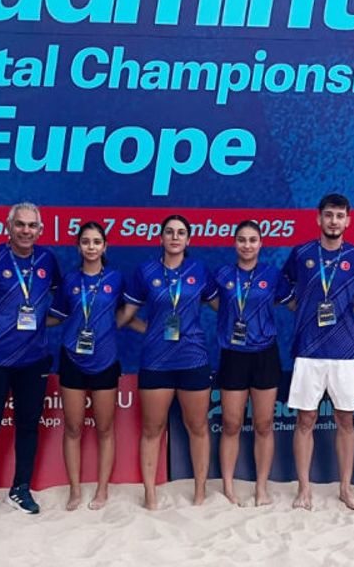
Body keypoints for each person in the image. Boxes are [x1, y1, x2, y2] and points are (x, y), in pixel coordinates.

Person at [0, 202, 61, 517]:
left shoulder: (47, 260)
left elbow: (61, 299)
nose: (26, 231)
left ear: (40, 230)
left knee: (28, 426)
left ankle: (21, 488)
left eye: (32, 225)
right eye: (20, 224)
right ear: (9, 226)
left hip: (34, 359)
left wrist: (43, 322)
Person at [118, 215, 218, 509]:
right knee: (152, 429)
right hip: (156, 361)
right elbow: (126, 316)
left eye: (181, 233)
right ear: (161, 238)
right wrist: (141, 328)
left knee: (197, 426)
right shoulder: (145, 271)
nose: (175, 237)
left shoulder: (199, 270)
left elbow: (222, 307)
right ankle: (150, 494)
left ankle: (200, 491)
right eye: (170, 232)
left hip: (193, 359)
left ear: (188, 240)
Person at [283, 193, 354, 510]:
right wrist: (304, 312)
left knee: (346, 420)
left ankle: (345, 488)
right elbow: (285, 290)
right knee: (305, 420)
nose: (334, 221)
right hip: (308, 351)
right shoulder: (301, 254)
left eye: (339, 216)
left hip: (345, 352)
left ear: (348, 220)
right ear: (318, 218)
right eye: (329, 215)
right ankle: (304, 489)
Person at [47, 222, 138, 511]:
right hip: (72, 359)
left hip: (106, 361)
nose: (91, 246)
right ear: (79, 247)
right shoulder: (70, 281)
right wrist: (26, 321)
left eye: (96, 241)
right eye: (86, 241)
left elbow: (127, 312)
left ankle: (102, 489)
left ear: (104, 246)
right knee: (73, 427)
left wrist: (147, 329)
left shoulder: (116, 279)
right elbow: (57, 316)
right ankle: (75, 490)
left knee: (105, 428)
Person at [210, 220, 293, 506]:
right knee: (231, 424)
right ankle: (228, 486)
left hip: (265, 355)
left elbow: (290, 303)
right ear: (235, 243)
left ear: (261, 244)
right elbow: (215, 304)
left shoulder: (272, 275)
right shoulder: (222, 275)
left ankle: (261, 488)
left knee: (264, 424)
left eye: (252, 240)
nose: (247, 245)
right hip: (233, 355)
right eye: (242, 240)